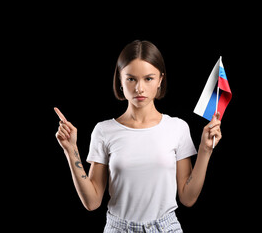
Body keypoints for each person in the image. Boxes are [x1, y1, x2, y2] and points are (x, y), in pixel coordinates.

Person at [54, 40, 222, 232]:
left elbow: (188, 197)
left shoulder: (177, 128)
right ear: (120, 80)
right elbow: (92, 202)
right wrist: (71, 150)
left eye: (148, 78)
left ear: (160, 80)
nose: (139, 88)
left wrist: (205, 149)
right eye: (131, 79)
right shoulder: (103, 130)